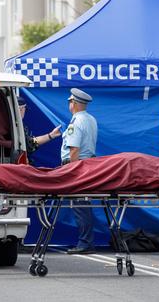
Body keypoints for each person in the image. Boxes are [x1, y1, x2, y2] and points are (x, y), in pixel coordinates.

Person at [61, 88, 98, 255]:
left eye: (70, 101)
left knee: (80, 205)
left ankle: (85, 243)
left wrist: (71, 171)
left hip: (77, 165)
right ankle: (86, 241)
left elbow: (74, 149)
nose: (69, 104)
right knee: (84, 204)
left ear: (73, 104)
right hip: (87, 165)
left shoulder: (75, 122)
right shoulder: (91, 120)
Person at [18, 96, 61, 161]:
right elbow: (30, 145)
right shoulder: (17, 126)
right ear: (21, 109)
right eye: (25, 109)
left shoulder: (13, 124)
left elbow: (30, 142)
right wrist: (51, 135)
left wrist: (51, 135)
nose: (25, 112)